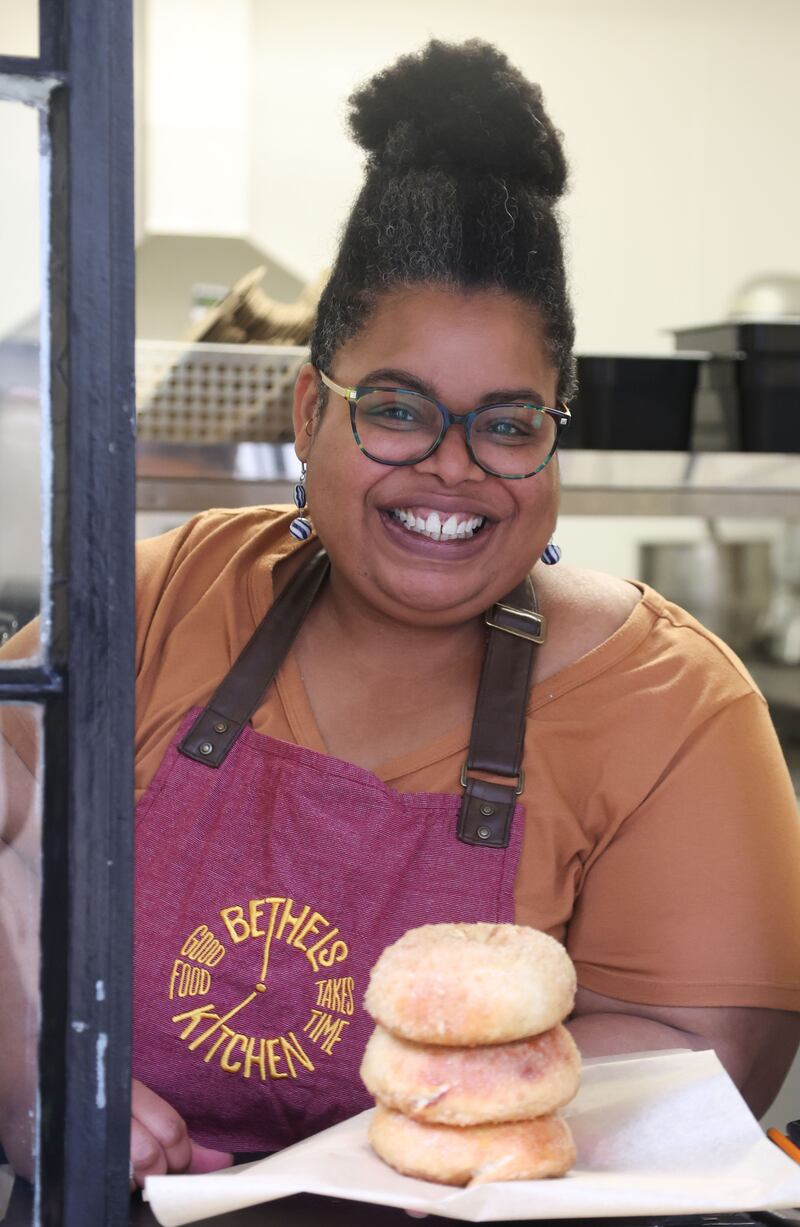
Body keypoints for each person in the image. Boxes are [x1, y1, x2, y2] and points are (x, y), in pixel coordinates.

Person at [2, 39, 799, 1191]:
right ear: (305, 411)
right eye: (395, 409)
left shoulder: (669, 704)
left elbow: (690, 1087)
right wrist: (39, 1074)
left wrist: (315, 1179)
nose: (450, 470)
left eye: (508, 424)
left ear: (552, 437)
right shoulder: (163, 596)